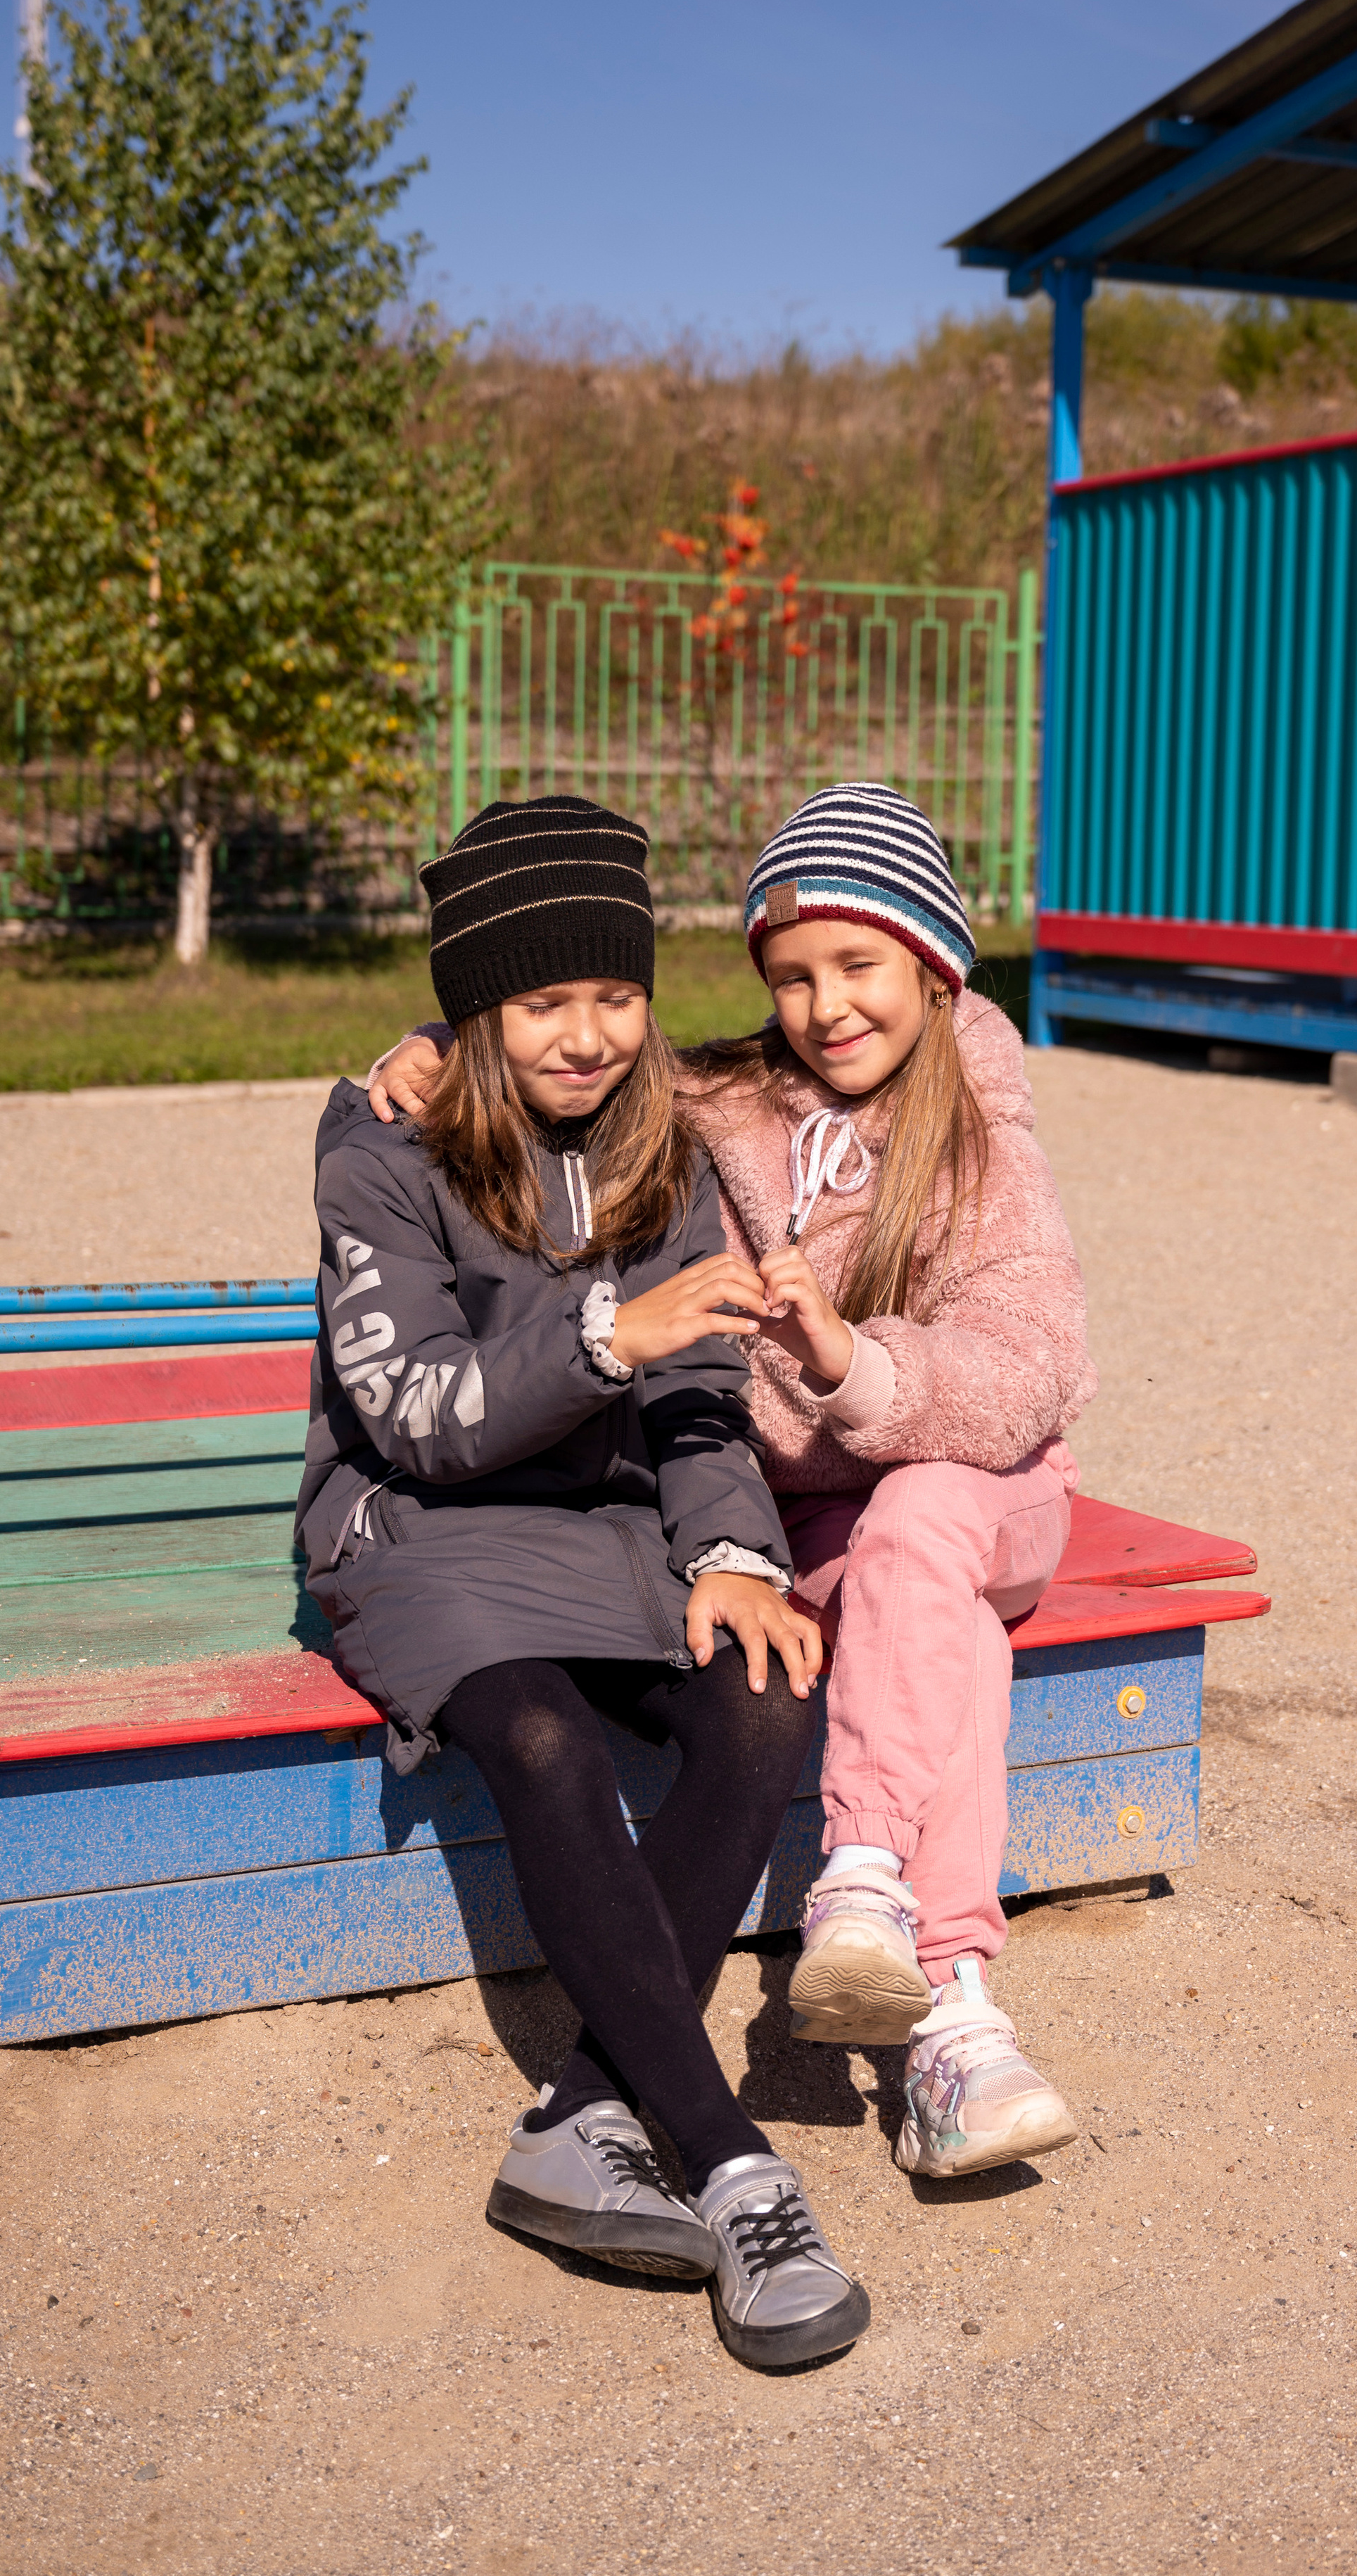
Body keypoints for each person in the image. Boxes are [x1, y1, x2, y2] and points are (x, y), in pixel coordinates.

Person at [370, 783, 1097, 2184]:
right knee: (916, 1612)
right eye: (789, 977)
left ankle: (865, 1879)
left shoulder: (984, 1144)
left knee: (922, 1528)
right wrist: (426, 1043)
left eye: (857, 966)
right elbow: (558, 1040)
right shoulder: (737, 1100)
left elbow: (1025, 1373)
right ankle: (955, 2029)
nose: (825, 1008)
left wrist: (852, 1358)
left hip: (984, 1489)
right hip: (817, 1518)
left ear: (933, 961)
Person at [302, 791, 867, 2370]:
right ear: (476, 1009)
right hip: (421, 1532)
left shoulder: (658, 1152)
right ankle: (734, 2155)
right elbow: (414, 1416)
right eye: (541, 1000)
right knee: (539, 1735)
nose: (587, 1035)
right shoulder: (383, 1153)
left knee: (762, 1693)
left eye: (614, 993)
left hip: (604, 1527)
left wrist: (736, 1550)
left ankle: (580, 2112)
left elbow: (696, 1400)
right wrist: (608, 1334)